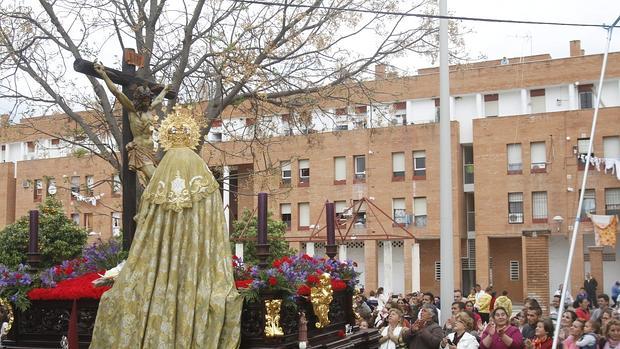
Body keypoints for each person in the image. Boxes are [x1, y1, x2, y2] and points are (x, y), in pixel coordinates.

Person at [90, 107, 242, 348]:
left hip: (156, 274)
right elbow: (214, 230)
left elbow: (146, 222)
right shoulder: (204, 178)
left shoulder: (161, 177)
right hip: (198, 273)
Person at [93, 62, 170, 184]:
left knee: (156, 181)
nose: (147, 102)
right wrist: (104, 75)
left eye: (148, 100)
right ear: (139, 99)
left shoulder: (149, 108)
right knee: (157, 179)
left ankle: (148, 202)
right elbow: (117, 92)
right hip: (140, 150)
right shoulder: (132, 110)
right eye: (144, 100)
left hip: (151, 151)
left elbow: (159, 99)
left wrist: (165, 90)